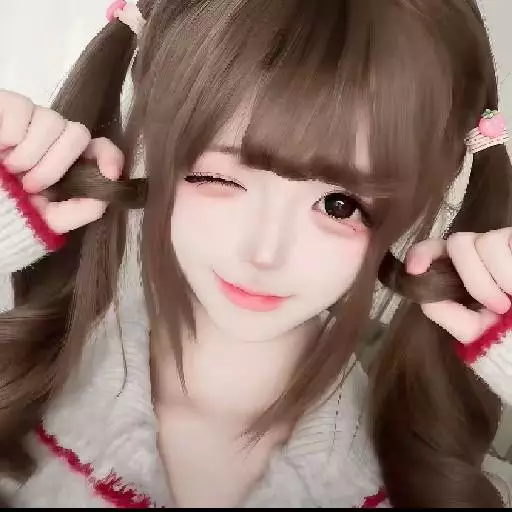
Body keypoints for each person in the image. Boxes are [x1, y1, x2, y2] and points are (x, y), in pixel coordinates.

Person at [0, 0, 512, 507]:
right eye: (219, 177)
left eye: (339, 205)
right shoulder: (22, 391)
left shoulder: (430, 480)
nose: (265, 253)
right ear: (157, 143)